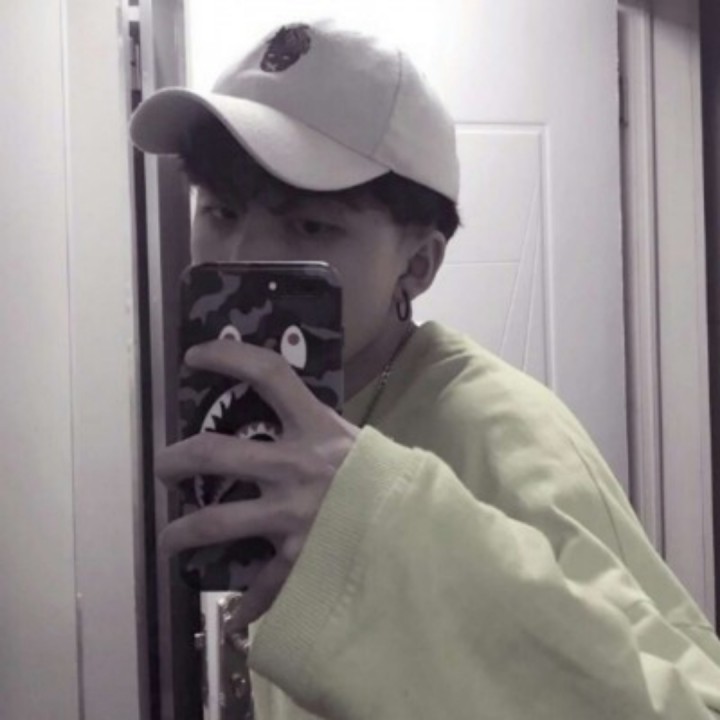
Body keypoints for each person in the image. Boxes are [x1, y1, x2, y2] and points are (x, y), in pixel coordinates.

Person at [130, 19, 720, 719]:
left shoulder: (501, 430)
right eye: (221, 211)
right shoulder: (276, 419)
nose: (239, 256)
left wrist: (376, 536)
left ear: (418, 264)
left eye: (310, 225)